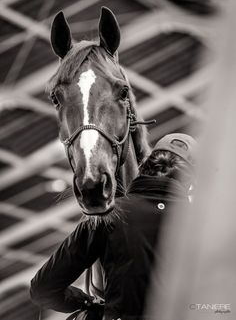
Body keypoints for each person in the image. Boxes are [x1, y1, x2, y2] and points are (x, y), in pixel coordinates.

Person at [30, 133, 197, 320]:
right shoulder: (206, 229)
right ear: (190, 181)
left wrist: (88, 304)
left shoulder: (108, 214)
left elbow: (43, 289)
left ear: (145, 166)